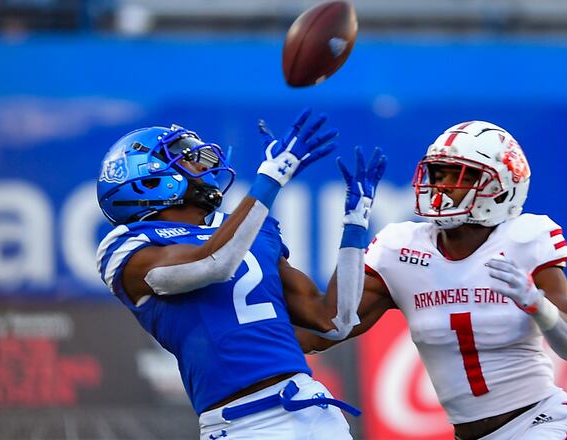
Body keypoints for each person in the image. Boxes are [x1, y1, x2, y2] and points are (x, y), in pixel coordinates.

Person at [94, 110, 387, 440]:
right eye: (186, 159)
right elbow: (214, 264)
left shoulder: (252, 227)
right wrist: (272, 177)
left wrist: (355, 226)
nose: (203, 166)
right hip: (243, 424)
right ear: (147, 177)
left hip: (313, 407)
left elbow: (335, 320)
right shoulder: (128, 245)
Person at [299, 121, 567, 440]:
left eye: (460, 176)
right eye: (438, 174)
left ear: (502, 187)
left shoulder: (525, 239)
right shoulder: (401, 248)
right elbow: (326, 331)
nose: (441, 185)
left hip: (539, 421)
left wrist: (539, 305)